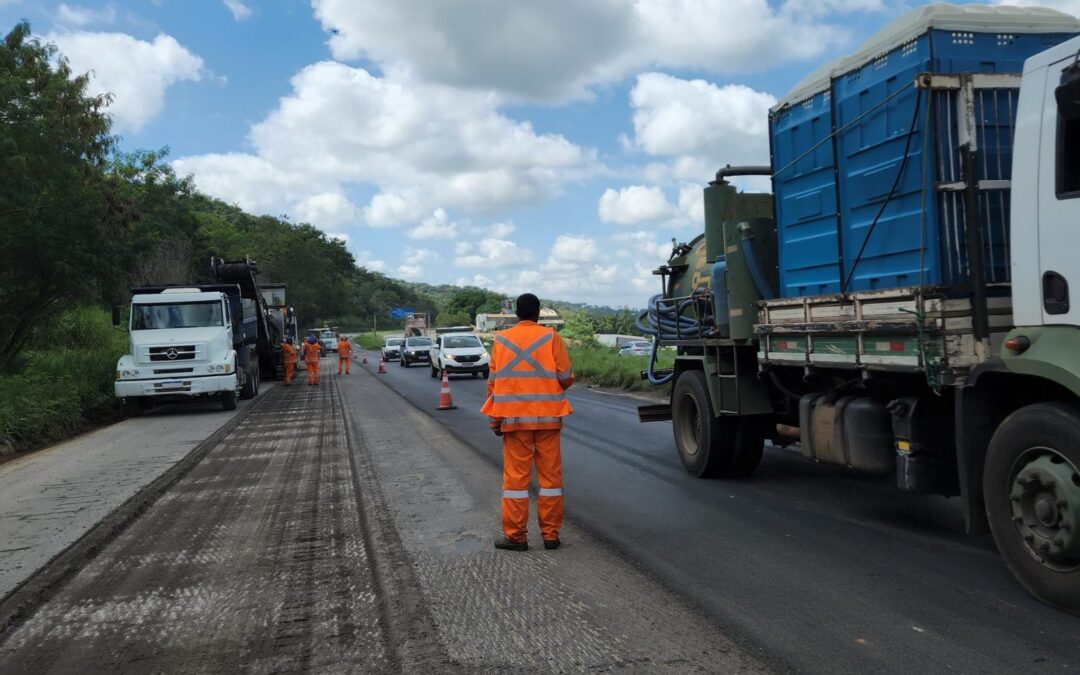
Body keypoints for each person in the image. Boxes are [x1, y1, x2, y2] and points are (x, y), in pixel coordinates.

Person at [480, 293, 574, 551]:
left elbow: (494, 383)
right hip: (548, 419)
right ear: (538, 313)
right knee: (551, 480)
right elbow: (566, 377)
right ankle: (551, 536)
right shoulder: (551, 337)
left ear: (517, 314)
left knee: (516, 483)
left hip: (514, 420)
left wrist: (494, 419)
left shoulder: (501, 340)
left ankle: (516, 537)